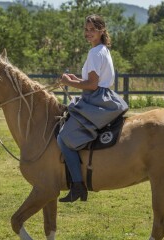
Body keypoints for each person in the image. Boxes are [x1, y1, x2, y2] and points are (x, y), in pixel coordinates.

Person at [57, 14, 129, 203]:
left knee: (63, 138)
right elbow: (93, 82)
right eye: (86, 29)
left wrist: (68, 82)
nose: (88, 33)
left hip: (96, 98)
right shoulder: (102, 50)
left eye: (92, 29)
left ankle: (78, 185)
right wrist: (74, 80)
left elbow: (92, 85)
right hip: (102, 96)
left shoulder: (95, 53)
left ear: (101, 30)